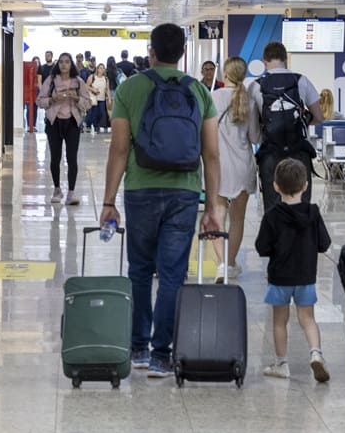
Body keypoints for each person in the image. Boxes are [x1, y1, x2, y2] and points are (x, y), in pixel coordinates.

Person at [99, 23, 222, 379]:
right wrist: (212, 207)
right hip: (184, 192)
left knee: (139, 270)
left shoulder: (131, 88)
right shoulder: (199, 91)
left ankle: (137, 346)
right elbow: (211, 155)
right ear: (183, 54)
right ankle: (161, 354)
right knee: (171, 274)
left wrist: (109, 201)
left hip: (141, 190)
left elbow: (119, 149)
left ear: (151, 51)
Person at [254, 158, 331, 382]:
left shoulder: (272, 216)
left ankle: (281, 364)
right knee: (307, 318)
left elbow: (262, 247)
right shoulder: (313, 213)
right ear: (305, 185)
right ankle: (316, 353)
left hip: (280, 277)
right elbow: (324, 244)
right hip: (306, 276)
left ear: (275, 186)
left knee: (280, 321)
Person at [250, 41, 323, 212]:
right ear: (286, 59)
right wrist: (303, 122)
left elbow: (253, 133)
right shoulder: (301, 80)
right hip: (299, 152)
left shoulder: (256, 86)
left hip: (270, 154)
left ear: (264, 61)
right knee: (301, 206)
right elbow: (319, 116)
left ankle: (278, 238)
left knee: (273, 209)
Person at [209, 57, 257, 281]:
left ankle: (222, 265)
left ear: (225, 75)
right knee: (237, 219)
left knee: (217, 214)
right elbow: (255, 136)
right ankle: (229, 263)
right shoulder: (249, 99)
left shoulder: (213, 97)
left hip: (218, 165)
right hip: (243, 164)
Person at [36, 52, 92, 205]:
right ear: (57, 64)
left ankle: (71, 192)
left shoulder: (78, 82)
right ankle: (57, 189)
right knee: (55, 157)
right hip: (54, 123)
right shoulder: (51, 81)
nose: (64, 65)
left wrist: (76, 97)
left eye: (67, 62)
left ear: (71, 64)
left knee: (72, 158)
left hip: (72, 123)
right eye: (61, 62)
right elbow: (39, 101)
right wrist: (53, 99)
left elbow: (88, 103)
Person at [86, 62, 112, 134]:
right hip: (94, 98)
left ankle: (98, 126)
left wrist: (109, 98)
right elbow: (87, 86)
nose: (101, 69)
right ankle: (93, 126)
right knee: (93, 113)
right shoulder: (92, 77)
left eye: (103, 68)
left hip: (102, 98)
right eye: (100, 68)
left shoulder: (106, 79)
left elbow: (107, 89)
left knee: (102, 113)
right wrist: (93, 89)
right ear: (97, 69)